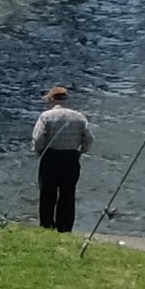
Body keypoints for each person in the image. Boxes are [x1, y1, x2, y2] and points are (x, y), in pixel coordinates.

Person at [31, 84, 95, 233]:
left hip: (51, 157)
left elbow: (38, 139)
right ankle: (65, 227)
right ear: (66, 99)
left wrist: (39, 152)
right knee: (68, 194)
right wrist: (81, 151)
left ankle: (47, 225)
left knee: (47, 193)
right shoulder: (79, 117)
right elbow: (89, 139)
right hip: (71, 159)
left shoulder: (46, 116)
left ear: (51, 100)